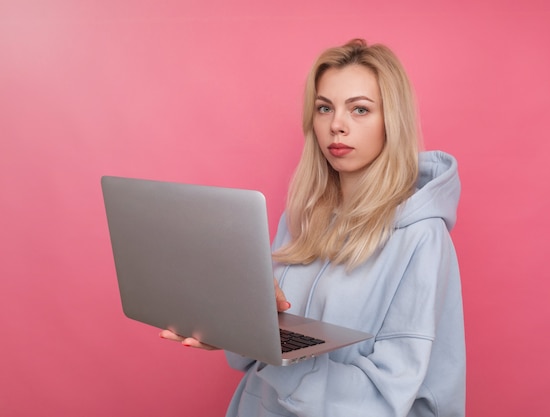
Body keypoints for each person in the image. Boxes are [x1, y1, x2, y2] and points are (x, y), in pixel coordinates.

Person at [161, 38, 465, 417]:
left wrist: (278, 356)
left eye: (359, 109)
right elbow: (258, 355)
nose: (337, 125)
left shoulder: (421, 236)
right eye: (325, 108)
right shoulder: (299, 218)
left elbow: (385, 400)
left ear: (392, 120)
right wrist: (227, 327)